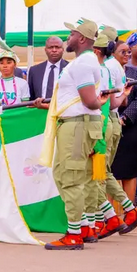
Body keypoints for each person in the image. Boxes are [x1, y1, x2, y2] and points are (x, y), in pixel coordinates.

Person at [39, 18, 106, 251]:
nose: (68, 37)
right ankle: (85, 227)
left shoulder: (81, 65)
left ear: (82, 38)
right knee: (65, 174)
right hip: (77, 123)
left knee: (71, 178)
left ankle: (74, 234)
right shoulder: (83, 62)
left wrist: (99, 102)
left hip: (77, 125)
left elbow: (89, 101)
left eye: (72, 33)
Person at [86, 34, 137, 241]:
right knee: (102, 172)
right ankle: (125, 211)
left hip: (102, 123)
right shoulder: (112, 67)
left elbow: (108, 103)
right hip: (108, 121)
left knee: (96, 174)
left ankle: (100, 219)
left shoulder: (106, 67)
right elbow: (116, 102)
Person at [111, 36, 137, 202]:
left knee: (129, 167)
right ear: (112, 54)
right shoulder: (105, 72)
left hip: (130, 127)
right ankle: (111, 210)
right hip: (109, 123)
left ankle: (130, 207)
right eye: (123, 52)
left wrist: (125, 117)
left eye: (128, 51)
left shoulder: (136, 72)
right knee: (110, 167)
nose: (127, 54)